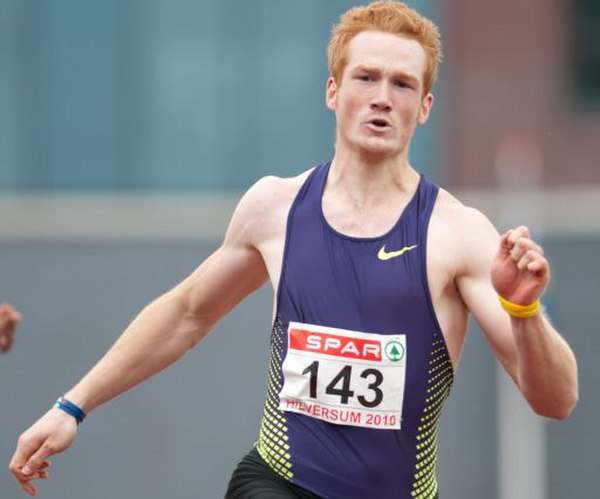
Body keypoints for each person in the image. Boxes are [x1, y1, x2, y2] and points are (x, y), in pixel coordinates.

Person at [9, 2, 578, 498]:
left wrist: (525, 312)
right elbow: (186, 314)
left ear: (424, 106)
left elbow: (556, 401)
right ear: (333, 90)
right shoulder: (274, 209)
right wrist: (72, 406)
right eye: (366, 78)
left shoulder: (457, 234)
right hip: (277, 483)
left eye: (402, 85)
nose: (382, 98)